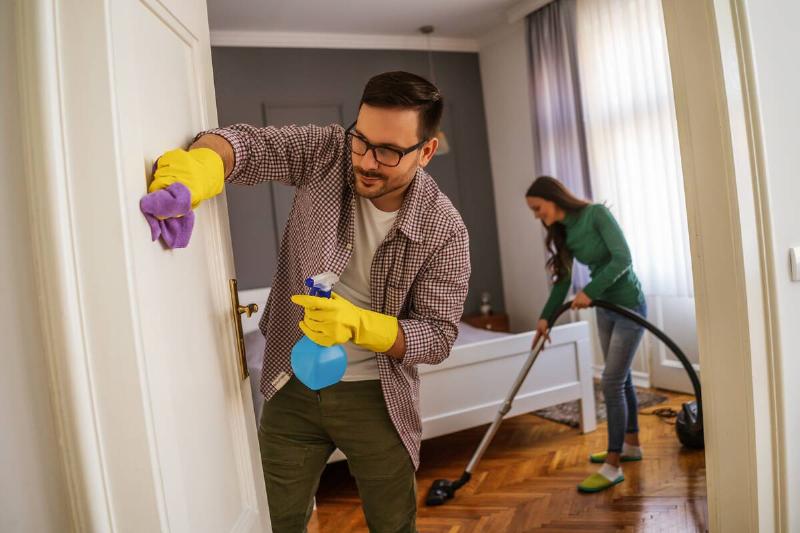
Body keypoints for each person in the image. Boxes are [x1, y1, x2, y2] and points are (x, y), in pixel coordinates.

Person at [149, 71, 470, 532]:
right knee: (278, 520)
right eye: (361, 140)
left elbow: (438, 337)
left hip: (378, 398)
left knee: (393, 524)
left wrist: (361, 325)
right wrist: (198, 170)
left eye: (389, 151)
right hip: (292, 382)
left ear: (426, 151)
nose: (366, 161)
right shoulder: (328, 153)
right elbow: (245, 145)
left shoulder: (445, 230)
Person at [527, 176, 646, 493]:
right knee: (623, 379)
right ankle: (632, 445)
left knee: (610, 381)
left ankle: (612, 465)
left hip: (629, 307)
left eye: (538, 208)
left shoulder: (596, 215)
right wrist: (545, 318)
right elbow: (563, 282)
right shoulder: (564, 232)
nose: (537, 215)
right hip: (606, 309)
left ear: (552, 198)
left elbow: (623, 258)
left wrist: (590, 291)